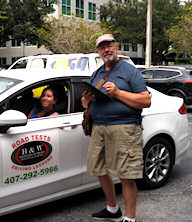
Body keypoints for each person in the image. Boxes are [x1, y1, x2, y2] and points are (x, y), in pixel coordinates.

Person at [81, 34, 151, 222]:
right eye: (102, 47)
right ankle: (113, 209)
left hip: (125, 128)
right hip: (99, 128)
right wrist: (86, 101)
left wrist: (119, 93)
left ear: (116, 47)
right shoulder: (97, 73)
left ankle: (130, 218)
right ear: (98, 51)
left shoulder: (129, 71)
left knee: (127, 175)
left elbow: (146, 100)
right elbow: (84, 104)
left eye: (109, 46)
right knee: (100, 170)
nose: (106, 50)